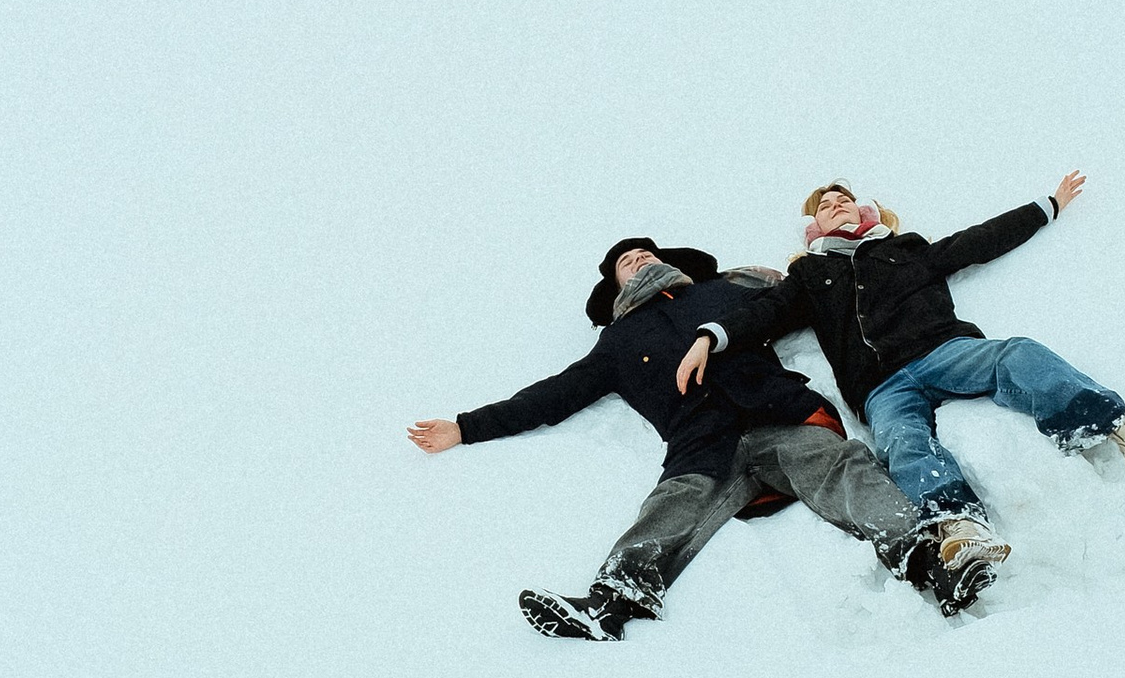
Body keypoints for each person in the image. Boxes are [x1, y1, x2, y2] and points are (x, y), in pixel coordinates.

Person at [407, 236, 997, 640]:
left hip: (778, 417)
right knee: (668, 508)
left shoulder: (722, 294)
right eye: (626, 262)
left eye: (644, 254)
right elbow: (553, 396)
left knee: (842, 464)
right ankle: (611, 602)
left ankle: (926, 558)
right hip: (701, 447)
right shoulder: (616, 343)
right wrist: (466, 426)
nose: (637, 261)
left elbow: (799, 301)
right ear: (615, 285)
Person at [682, 170, 1125, 532]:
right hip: (880, 385)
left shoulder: (906, 249)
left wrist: (1047, 206)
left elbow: (977, 240)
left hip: (942, 350)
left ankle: (1110, 422)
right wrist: (709, 336)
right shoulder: (810, 276)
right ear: (814, 225)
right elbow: (763, 314)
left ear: (863, 211)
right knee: (902, 441)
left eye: (842, 200)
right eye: (824, 205)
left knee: (1016, 354)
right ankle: (957, 522)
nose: (835, 205)